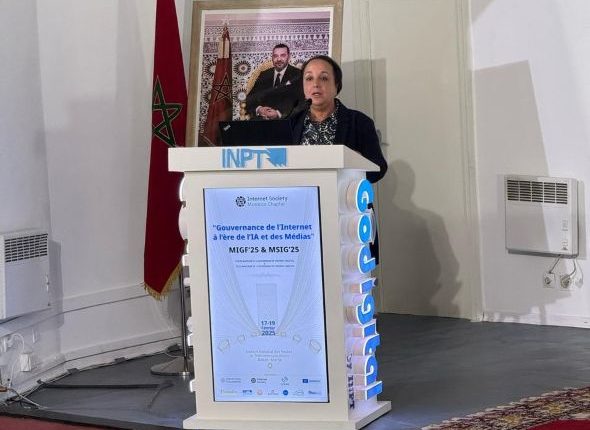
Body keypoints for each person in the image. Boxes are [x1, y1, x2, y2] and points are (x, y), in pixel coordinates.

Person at [290, 55, 388, 182]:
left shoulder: (359, 122)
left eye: (324, 78)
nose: (315, 84)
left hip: (343, 193)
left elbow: (379, 168)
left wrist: (356, 162)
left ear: (336, 86)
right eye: (309, 78)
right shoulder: (291, 123)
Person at [245, 43, 305, 120]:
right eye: (275, 56)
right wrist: (259, 109)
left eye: (283, 55)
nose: (279, 59)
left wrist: (278, 114)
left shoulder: (298, 74)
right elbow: (250, 99)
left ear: (289, 57)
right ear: (272, 57)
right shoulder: (264, 75)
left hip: (287, 121)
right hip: (262, 121)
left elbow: (302, 102)